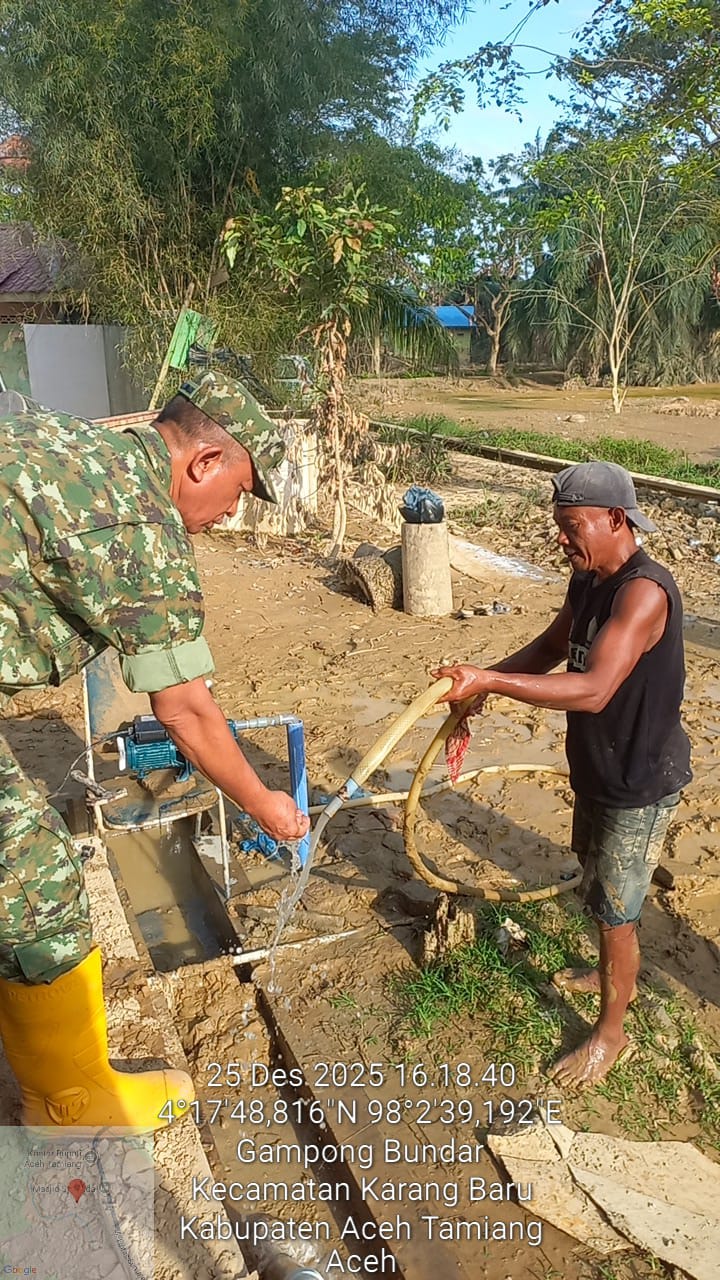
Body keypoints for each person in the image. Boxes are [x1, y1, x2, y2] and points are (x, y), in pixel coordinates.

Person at [0, 371, 310, 1129]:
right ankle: (71, 1103)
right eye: (237, 490)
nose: (232, 512)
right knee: (35, 884)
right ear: (203, 463)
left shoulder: (70, 441)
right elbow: (188, 713)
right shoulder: (137, 527)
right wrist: (265, 800)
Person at [434, 461, 692, 1087]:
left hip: (639, 779)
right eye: (558, 527)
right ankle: (608, 970)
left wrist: (492, 681)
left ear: (615, 520)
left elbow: (597, 688)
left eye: (571, 525)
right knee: (596, 880)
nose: (560, 539)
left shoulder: (643, 592)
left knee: (615, 910)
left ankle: (611, 1033)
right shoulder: (588, 582)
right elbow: (552, 649)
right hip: (596, 767)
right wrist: (482, 680)